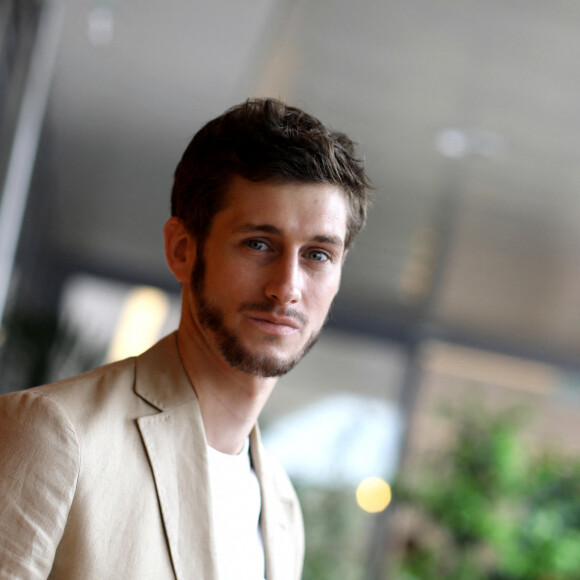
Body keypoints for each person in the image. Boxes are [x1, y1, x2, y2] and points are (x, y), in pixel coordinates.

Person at [0, 98, 371, 579]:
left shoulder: (282, 505)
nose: (287, 287)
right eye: (259, 244)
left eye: (318, 255)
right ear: (182, 250)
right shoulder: (53, 434)